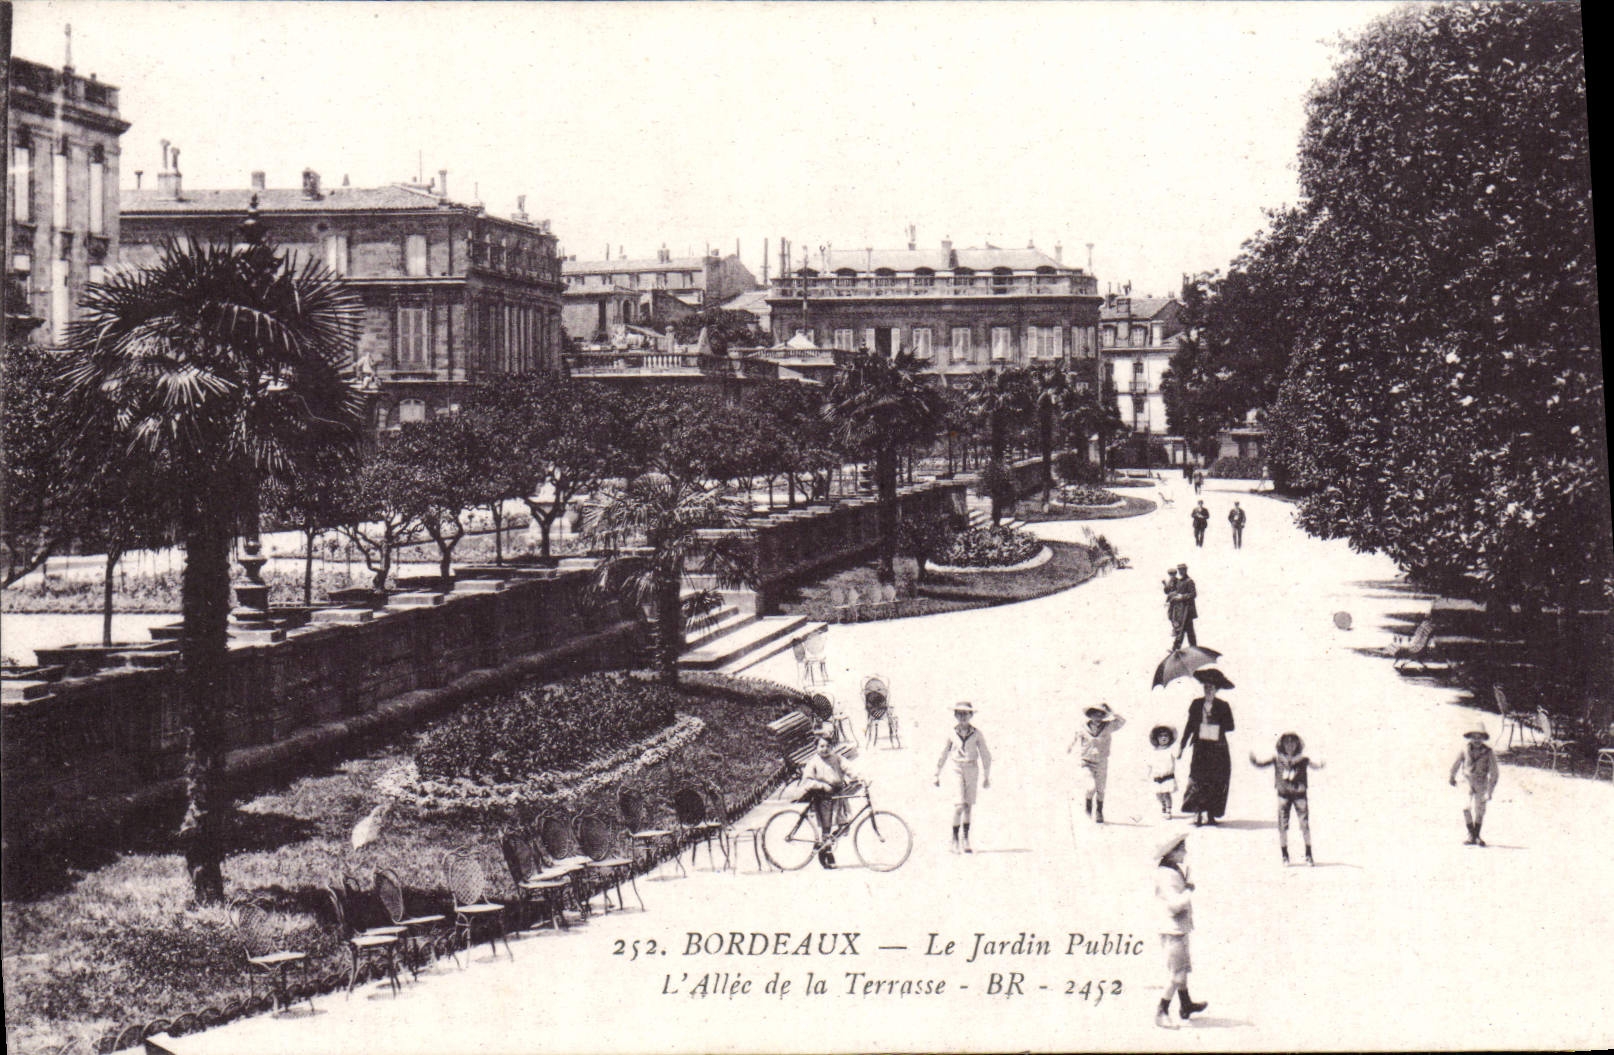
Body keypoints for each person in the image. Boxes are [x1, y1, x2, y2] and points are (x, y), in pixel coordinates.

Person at [1153, 831, 1208, 1028]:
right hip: (1172, 929)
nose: (1185, 852)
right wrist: (1189, 890)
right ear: (1172, 852)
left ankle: (1186, 1004)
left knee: (1183, 968)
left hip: (1178, 927)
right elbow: (1175, 905)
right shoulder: (1167, 875)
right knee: (1176, 974)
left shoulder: (1171, 868)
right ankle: (1162, 1011)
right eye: (1182, 849)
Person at [1250, 732, 1324, 864]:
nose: (1290, 746)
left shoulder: (1303, 760)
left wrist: (1320, 764)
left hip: (1300, 795)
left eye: (1293, 743)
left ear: (1298, 744)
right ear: (1282, 745)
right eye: (1287, 743)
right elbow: (1262, 764)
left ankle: (1308, 853)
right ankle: (1285, 854)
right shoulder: (1277, 759)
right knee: (1282, 826)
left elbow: (1314, 765)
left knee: (1304, 825)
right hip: (1283, 795)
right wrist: (1255, 761)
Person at [1179, 667, 1235, 825]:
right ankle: (1197, 812)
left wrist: (1214, 724)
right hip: (1201, 748)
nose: (1207, 690)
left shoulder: (1223, 706)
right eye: (1205, 687)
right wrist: (1182, 745)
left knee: (1216, 780)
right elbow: (1189, 725)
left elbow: (1230, 726)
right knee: (1198, 779)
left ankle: (1211, 814)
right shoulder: (1196, 704)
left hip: (1218, 748)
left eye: (1211, 687)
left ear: (1217, 689)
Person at [796, 729, 859, 868]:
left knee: (844, 825)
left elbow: (849, 768)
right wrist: (823, 786)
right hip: (823, 797)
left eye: (827, 746)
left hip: (837, 795)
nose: (825, 749)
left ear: (832, 747)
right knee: (827, 827)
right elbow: (806, 782)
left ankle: (824, 844)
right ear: (816, 748)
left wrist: (859, 777)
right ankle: (827, 852)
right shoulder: (814, 762)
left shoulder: (836, 758)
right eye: (821, 746)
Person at [935, 702, 992, 853]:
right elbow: (943, 753)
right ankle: (954, 840)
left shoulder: (977, 733)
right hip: (956, 768)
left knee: (968, 806)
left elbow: (985, 755)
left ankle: (965, 839)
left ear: (971, 715)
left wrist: (987, 776)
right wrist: (937, 773)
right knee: (959, 805)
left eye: (966, 714)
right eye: (959, 714)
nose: (962, 717)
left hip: (972, 768)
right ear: (955, 715)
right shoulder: (951, 733)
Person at [1067, 703, 1126, 823]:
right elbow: (1074, 739)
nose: (1097, 717)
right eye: (1095, 713)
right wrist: (1069, 747)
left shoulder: (1108, 726)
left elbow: (1122, 721)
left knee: (1101, 788)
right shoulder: (1082, 727)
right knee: (1090, 786)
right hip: (1086, 761)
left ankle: (1099, 811)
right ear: (1090, 714)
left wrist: (1111, 711)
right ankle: (1088, 808)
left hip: (1102, 761)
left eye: (1101, 714)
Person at [1449, 722, 1499, 846]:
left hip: (1481, 782)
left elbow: (1494, 772)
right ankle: (1471, 833)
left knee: (1480, 809)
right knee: (1465, 807)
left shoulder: (1488, 752)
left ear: (1483, 738)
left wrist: (1489, 791)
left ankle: (1476, 835)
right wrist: (1452, 776)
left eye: (1479, 737)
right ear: (1469, 737)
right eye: (1474, 737)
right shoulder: (1464, 750)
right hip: (1466, 781)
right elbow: (1456, 763)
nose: (1477, 740)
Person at [1148, 725, 1179, 818]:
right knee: (1158, 794)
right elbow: (1150, 763)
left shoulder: (1171, 749)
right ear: (1157, 738)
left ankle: (1169, 810)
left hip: (1167, 775)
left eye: (1166, 736)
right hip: (1157, 776)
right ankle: (1163, 806)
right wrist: (1149, 773)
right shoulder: (1154, 751)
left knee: (1166, 793)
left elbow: (1177, 754)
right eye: (1161, 736)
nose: (1164, 738)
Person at [1169, 563, 1198, 649]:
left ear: (1186, 570)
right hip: (1181, 611)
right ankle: (1193, 647)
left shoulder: (1189, 581)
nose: (1181, 571)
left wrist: (1182, 597)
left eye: (1182, 570)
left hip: (1187, 610)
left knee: (1182, 630)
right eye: (1179, 570)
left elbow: (1193, 594)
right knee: (1188, 631)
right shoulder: (1178, 581)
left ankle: (1176, 648)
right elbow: (1170, 591)